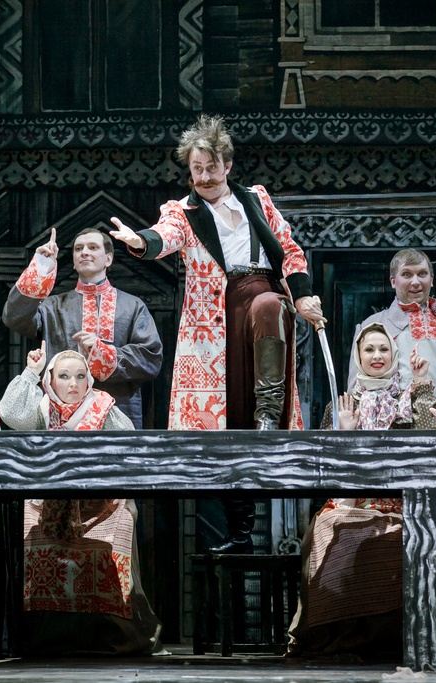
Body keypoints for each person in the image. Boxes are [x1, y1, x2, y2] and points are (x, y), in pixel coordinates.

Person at [109, 114, 324, 554]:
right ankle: (240, 531)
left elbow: (289, 249)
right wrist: (139, 241)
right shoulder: (182, 211)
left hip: (261, 293)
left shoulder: (256, 200)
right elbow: (165, 236)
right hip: (214, 320)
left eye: (211, 167)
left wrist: (302, 295)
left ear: (227, 165)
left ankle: (270, 414)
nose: (204, 177)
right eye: (197, 169)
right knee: (228, 419)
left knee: (268, 308)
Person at [287, 321, 436, 658]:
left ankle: (395, 639)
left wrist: (419, 384)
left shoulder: (407, 399)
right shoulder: (342, 404)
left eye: (384, 349)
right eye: (369, 349)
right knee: (328, 528)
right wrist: (346, 434)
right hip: (353, 500)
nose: (377, 355)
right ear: (358, 356)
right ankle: (335, 635)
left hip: (398, 504)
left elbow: (430, 444)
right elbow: (325, 469)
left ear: (394, 355)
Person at [0, 344, 163, 656]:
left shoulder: (102, 407)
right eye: (63, 376)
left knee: (112, 540)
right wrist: (30, 372)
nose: (72, 384)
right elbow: (10, 414)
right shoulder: (42, 409)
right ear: (50, 380)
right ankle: (52, 639)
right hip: (50, 505)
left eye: (79, 376)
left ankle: (111, 636)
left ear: (89, 381)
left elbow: (128, 443)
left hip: (100, 506)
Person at [2, 226, 163, 427]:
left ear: (108, 259)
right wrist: (41, 268)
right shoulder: (53, 306)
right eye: (78, 249)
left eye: (93, 247)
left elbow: (151, 358)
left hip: (117, 415)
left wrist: (102, 354)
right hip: (60, 417)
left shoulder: (133, 306)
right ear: (74, 262)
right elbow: (14, 318)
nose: (84, 252)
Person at [351, 248, 436, 407]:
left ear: (431, 279)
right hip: (392, 419)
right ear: (393, 281)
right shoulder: (371, 326)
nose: (415, 282)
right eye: (407, 274)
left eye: (422, 274)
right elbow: (355, 391)